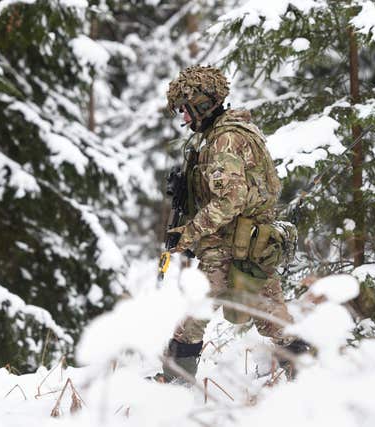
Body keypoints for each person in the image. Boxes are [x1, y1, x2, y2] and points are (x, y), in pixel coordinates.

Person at [162, 65, 307, 382]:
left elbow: (231, 199)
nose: (183, 118)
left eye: (185, 110)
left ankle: (174, 382)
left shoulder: (224, 140)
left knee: (196, 312)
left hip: (230, 243)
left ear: (202, 105)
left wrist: (188, 233)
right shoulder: (229, 134)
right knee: (271, 316)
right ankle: (307, 373)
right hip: (249, 241)